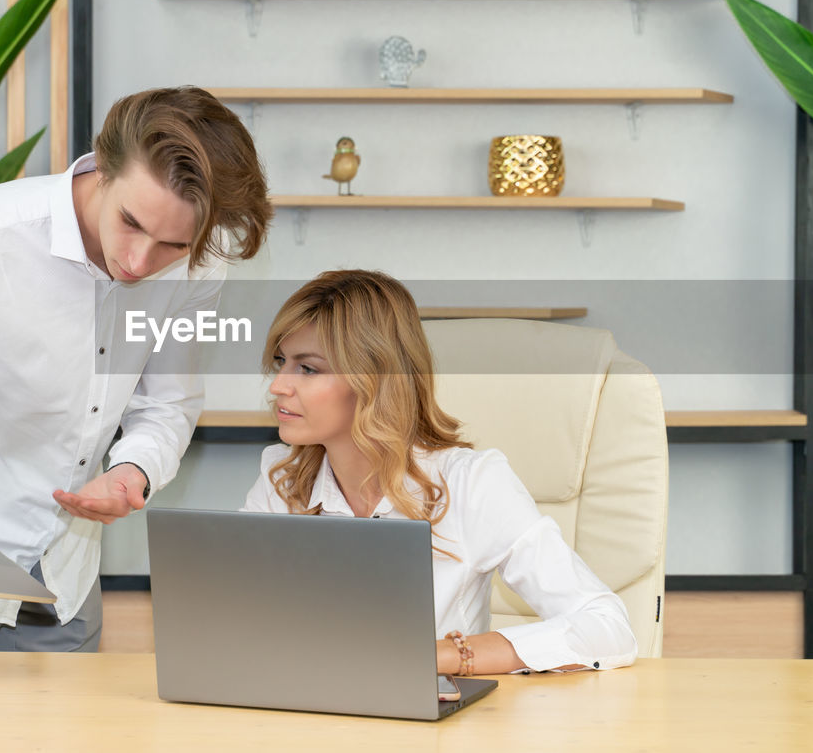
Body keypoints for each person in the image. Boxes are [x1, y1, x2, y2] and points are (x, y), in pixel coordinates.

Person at [0, 86, 273, 652]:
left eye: (171, 244)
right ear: (105, 168)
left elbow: (167, 403)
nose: (140, 262)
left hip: (66, 571)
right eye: (131, 223)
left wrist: (133, 473)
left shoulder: (199, 268)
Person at [241, 270, 637, 676]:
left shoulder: (472, 483)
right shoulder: (282, 477)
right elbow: (235, 616)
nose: (278, 386)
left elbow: (607, 627)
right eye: (280, 362)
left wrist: (444, 656)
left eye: (307, 369)